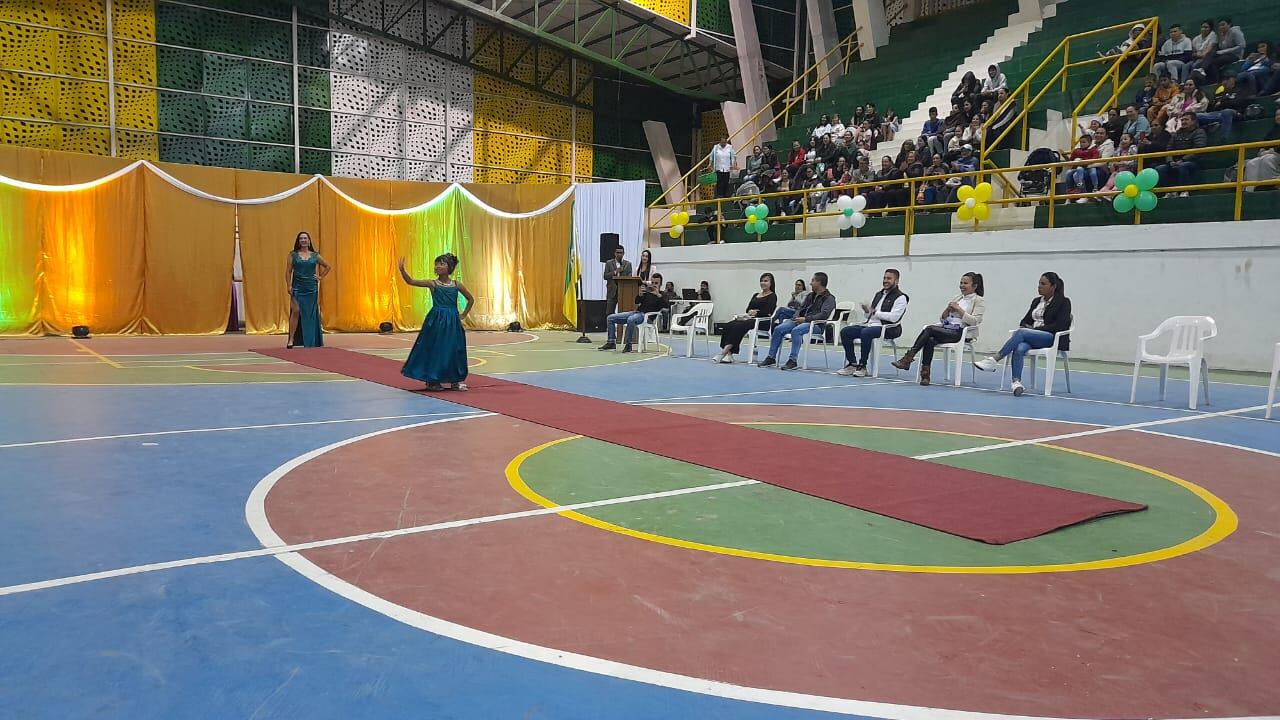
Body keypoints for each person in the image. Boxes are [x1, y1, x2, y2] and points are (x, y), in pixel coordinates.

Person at [973, 272, 1072, 396]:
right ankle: (1016, 383)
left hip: (1050, 337)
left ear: (1053, 286)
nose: (1039, 286)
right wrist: (1028, 328)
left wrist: (1036, 329)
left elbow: (1060, 326)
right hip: (1032, 336)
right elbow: (1024, 321)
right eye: (1039, 283)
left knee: (1021, 332)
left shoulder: (1063, 302)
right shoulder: (1037, 301)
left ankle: (994, 359)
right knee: (1019, 347)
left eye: (1043, 284)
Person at [891, 272, 985, 386]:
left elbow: (975, 321)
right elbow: (943, 319)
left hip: (960, 332)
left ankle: (907, 359)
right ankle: (925, 375)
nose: (962, 286)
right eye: (961, 283)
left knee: (929, 329)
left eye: (965, 283)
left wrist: (959, 310)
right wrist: (947, 310)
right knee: (930, 340)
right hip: (947, 328)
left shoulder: (978, 300)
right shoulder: (958, 297)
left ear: (974, 286)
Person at [398, 253, 474, 392]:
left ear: (450, 267)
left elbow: (471, 299)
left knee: (454, 349)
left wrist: (463, 314)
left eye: (442, 264)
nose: (437, 266)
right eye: (436, 264)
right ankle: (433, 380)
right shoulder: (432, 284)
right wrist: (402, 271)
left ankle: (455, 381)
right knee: (436, 349)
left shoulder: (457, 285)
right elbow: (411, 281)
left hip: (452, 321)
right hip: (436, 321)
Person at [837, 269, 909, 377]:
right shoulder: (879, 294)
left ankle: (862, 366)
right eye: (884, 278)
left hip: (888, 328)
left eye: (889, 278)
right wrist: (867, 312)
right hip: (870, 325)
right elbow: (869, 316)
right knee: (846, 331)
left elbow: (894, 318)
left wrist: (875, 312)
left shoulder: (901, 297)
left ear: (896, 281)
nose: (885, 280)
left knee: (866, 332)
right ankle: (852, 364)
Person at [759, 273, 837, 370]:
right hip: (801, 321)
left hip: (816, 325)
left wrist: (806, 319)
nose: (810, 283)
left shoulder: (829, 298)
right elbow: (800, 308)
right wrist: (796, 317)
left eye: (813, 281)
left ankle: (793, 360)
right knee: (778, 329)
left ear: (819, 282)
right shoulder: (810, 296)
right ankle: (771, 358)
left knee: (796, 331)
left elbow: (824, 315)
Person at [713, 273, 778, 364]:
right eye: (761, 281)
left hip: (762, 321)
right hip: (750, 319)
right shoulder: (756, 295)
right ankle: (729, 354)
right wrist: (750, 312)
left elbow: (768, 312)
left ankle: (722, 353)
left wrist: (757, 312)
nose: (763, 283)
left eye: (766, 281)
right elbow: (748, 309)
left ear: (771, 283)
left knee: (739, 326)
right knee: (729, 325)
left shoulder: (772, 296)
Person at [599, 276, 669, 353]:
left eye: (656, 283)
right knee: (610, 318)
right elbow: (637, 301)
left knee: (631, 319)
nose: (653, 285)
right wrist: (640, 294)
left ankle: (629, 345)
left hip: (646, 317)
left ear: (660, 284)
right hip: (636, 313)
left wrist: (658, 295)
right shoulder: (647, 292)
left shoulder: (663, 294)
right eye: (652, 282)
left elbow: (667, 306)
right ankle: (611, 342)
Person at [285, 231, 330, 348]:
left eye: (305, 238)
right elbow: (288, 271)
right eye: (301, 238)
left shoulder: (315, 255)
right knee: (296, 311)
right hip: (297, 287)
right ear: (298, 241)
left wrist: (320, 277)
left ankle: (310, 341)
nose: (303, 240)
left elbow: (327, 266)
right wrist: (289, 285)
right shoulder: (293, 255)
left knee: (310, 314)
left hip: (311, 288)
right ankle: (291, 339)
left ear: (309, 241)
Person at [1155, 114, 1208, 193]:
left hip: (1194, 161)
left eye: (1186, 119)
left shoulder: (1199, 132)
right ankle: (1170, 192)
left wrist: (1183, 160)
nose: (1183, 122)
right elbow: (1169, 150)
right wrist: (1170, 161)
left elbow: (1198, 150)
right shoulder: (1176, 134)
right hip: (1176, 161)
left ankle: (1184, 191)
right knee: (1160, 169)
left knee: (1183, 166)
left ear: (1193, 121)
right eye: (1182, 120)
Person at [1242, 108, 1280, 191]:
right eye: (1277, 115)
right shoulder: (1273, 130)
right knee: (1252, 163)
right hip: (1271, 154)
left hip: (1276, 154)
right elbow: (1265, 142)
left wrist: (1272, 150)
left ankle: (1274, 184)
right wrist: (1262, 150)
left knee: (1267, 159)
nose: (1278, 117)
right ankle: (1250, 190)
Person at [603, 245, 632, 315]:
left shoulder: (628, 264)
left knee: (623, 313)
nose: (619, 254)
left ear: (623, 253)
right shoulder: (609, 263)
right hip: (612, 291)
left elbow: (630, 277)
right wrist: (615, 272)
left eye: (621, 253)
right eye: (617, 252)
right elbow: (605, 276)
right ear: (614, 253)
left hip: (623, 291)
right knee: (609, 312)